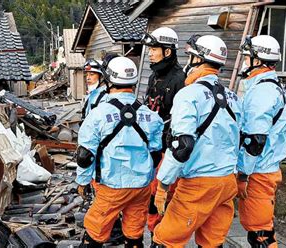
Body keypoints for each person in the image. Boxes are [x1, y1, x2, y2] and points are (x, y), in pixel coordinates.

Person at [151, 35, 242, 247]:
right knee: (212, 241)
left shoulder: (188, 94)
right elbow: (243, 139)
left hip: (198, 183)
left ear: (197, 60)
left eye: (189, 56)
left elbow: (182, 146)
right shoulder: (233, 97)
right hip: (226, 181)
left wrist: (163, 184)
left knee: (165, 239)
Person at [75, 56, 164, 248]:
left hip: (112, 185)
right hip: (141, 187)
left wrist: (82, 181)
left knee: (95, 232)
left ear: (108, 80)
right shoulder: (151, 116)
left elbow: (85, 155)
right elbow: (156, 154)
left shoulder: (98, 114)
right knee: (133, 234)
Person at [237, 35, 286, 247]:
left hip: (258, 171)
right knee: (259, 227)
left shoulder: (262, 91)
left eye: (247, 57)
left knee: (260, 232)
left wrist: (243, 174)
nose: (243, 61)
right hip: (265, 168)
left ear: (257, 60)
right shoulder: (271, 86)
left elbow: (254, 140)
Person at [142, 26, 186, 236]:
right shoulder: (153, 77)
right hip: (151, 147)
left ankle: (163, 237)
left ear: (167, 51)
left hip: (168, 150)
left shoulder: (181, 80)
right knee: (150, 200)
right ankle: (154, 234)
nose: (150, 53)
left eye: (154, 48)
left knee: (163, 199)